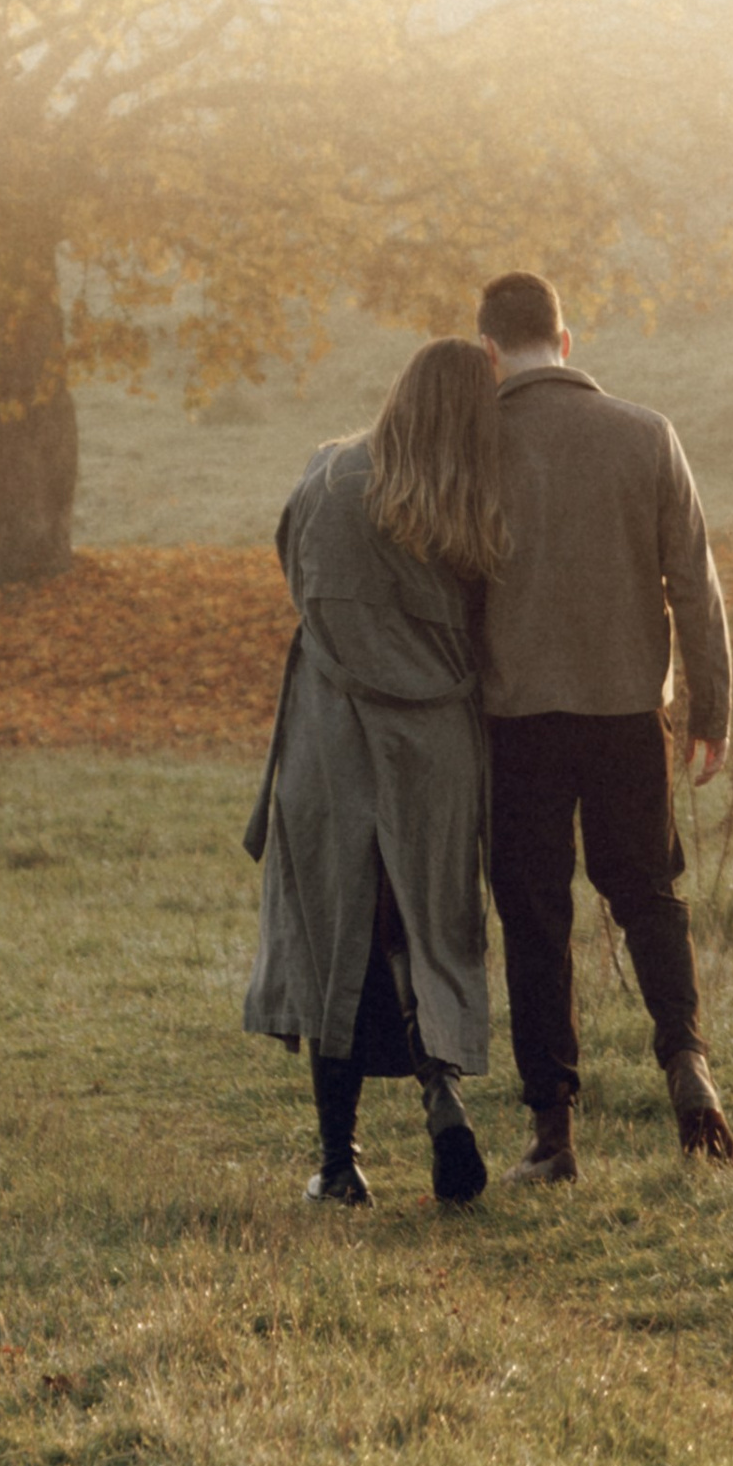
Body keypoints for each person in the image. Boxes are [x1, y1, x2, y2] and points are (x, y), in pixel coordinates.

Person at [475, 269, 733, 1181]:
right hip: (628, 708)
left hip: (514, 718)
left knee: (535, 917)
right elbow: (694, 584)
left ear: (489, 352)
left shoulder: (472, 446)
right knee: (648, 895)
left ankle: (553, 1136)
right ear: (568, 341)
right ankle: (688, 1063)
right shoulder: (645, 434)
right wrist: (712, 705)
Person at [242, 339, 503, 1207]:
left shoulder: (329, 478)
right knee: (425, 926)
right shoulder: (475, 503)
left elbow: (295, 575)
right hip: (434, 748)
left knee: (338, 932)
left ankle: (340, 1161)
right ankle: (441, 1091)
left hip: (334, 737)